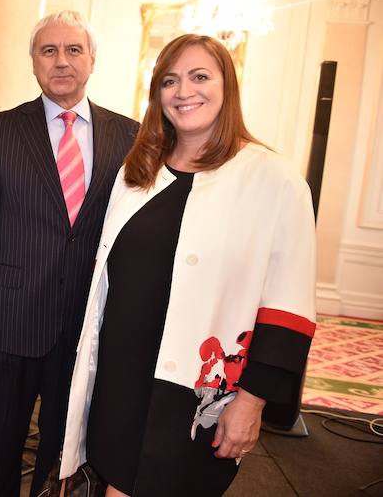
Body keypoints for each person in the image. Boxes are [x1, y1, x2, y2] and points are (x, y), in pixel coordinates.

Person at [59, 34, 317, 496]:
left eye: (200, 77)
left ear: (227, 86)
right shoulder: (137, 171)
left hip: (192, 390)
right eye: (170, 81)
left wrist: (252, 402)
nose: (184, 91)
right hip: (121, 377)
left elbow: (289, 307)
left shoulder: (272, 180)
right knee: (115, 482)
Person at [0, 10, 139, 496]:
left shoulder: (130, 135)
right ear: (33, 63)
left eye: (73, 50)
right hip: (14, 314)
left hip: (87, 320)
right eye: (49, 51)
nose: (62, 61)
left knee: (64, 444)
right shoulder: (1, 130)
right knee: (2, 441)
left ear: (93, 60)